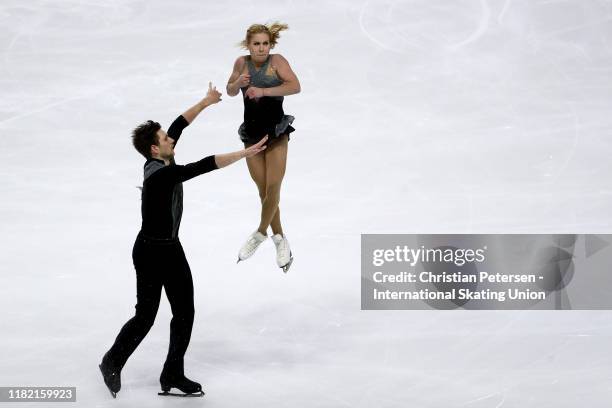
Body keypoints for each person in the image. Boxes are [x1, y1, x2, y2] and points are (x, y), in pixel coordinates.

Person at [99, 83, 267, 398]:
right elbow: (202, 166)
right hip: (150, 253)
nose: (171, 139)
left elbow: (178, 125)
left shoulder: (165, 157)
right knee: (145, 317)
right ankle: (111, 360)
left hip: (171, 248)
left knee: (185, 312)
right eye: (164, 139)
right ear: (154, 150)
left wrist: (205, 102)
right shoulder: (160, 176)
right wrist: (246, 152)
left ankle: (172, 373)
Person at [226, 22, 301, 273]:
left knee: (273, 186)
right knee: (263, 191)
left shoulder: (277, 61)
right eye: (256, 44)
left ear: (271, 45)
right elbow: (230, 90)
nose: (261, 48)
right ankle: (280, 238)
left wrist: (263, 90)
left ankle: (260, 234)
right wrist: (238, 83)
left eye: (265, 44)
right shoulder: (241, 63)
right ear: (248, 45)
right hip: (252, 134)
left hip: (276, 132)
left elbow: (294, 86)